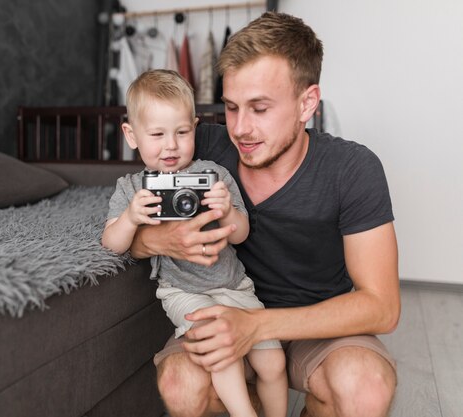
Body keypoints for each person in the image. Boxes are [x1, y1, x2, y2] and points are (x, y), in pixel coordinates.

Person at [130, 12, 400, 417]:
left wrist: (257, 325)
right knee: (180, 383)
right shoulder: (196, 146)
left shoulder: (353, 169)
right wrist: (161, 239)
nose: (240, 128)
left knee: (365, 388)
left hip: (318, 326)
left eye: (259, 108)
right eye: (232, 107)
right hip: (222, 307)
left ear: (307, 102)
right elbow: (126, 216)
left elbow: (382, 307)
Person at [102, 69, 288, 417]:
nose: (171, 145)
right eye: (157, 134)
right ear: (131, 135)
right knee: (219, 347)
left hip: (234, 285)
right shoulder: (131, 187)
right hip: (182, 290)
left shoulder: (213, 175)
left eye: (182, 132)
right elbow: (112, 243)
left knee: (273, 361)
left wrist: (228, 213)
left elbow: (242, 232)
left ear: (195, 128)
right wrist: (130, 218)